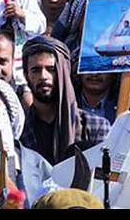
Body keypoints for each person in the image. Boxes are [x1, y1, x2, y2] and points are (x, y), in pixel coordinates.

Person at [19, 36, 110, 165]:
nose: (43, 77)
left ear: (64, 72)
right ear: (26, 74)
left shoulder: (94, 127)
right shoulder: (20, 130)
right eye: (36, 70)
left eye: (51, 70)